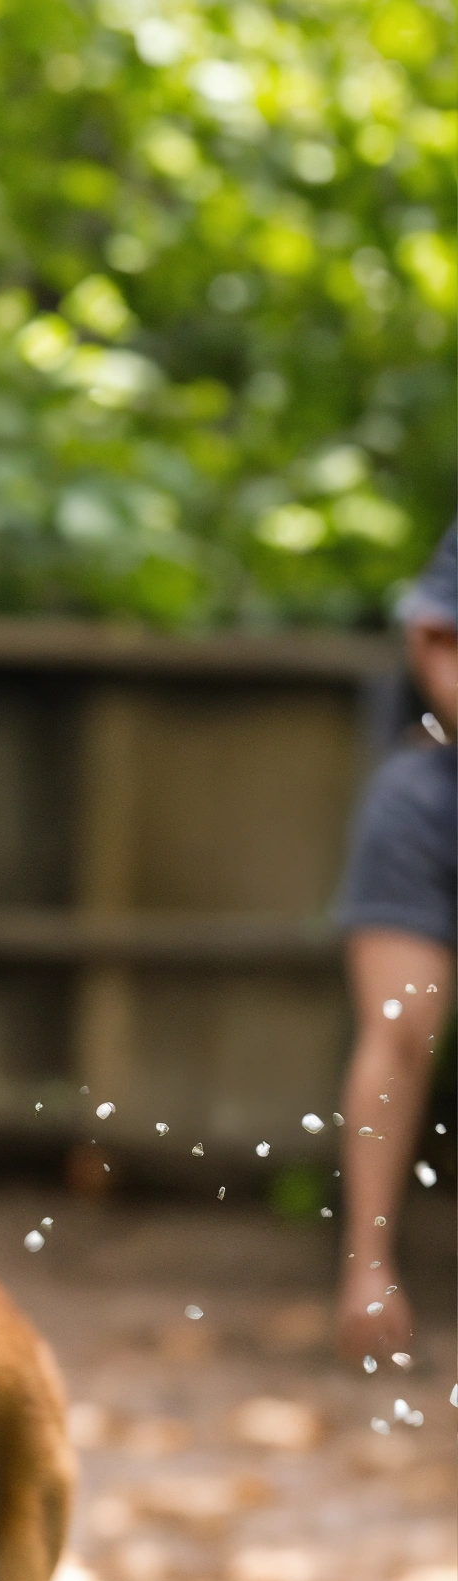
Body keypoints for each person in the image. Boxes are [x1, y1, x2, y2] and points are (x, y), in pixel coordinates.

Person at [332, 520, 456, 1367]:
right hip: (431, 800)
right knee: (402, 1024)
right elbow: (400, 1037)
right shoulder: (417, 802)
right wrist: (369, 1267)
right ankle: (367, 1267)